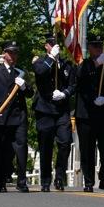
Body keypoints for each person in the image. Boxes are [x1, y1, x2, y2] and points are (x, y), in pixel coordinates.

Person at [75, 35, 104, 192]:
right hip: (86, 114)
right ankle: (88, 181)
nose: (99, 48)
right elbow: (79, 80)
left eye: (100, 46)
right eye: (95, 46)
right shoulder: (85, 65)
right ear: (90, 48)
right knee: (87, 149)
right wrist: (95, 65)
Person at [0, 41, 33, 193]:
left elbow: (30, 93)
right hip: (2, 118)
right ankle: (1, 182)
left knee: (21, 149)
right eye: (11, 53)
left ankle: (21, 181)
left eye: (15, 53)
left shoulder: (20, 73)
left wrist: (25, 86)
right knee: (2, 151)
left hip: (18, 116)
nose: (13, 56)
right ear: (4, 54)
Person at [32, 34, 76, 192]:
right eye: (52, 44)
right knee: (45, 146)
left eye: (57, 45)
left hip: (61, 110)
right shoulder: (40, 61)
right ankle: (45, 180)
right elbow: (41, 72)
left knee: (65, 143)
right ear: (47, 46)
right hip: (44, 109)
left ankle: (59, 176)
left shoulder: (66, 65)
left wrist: (65, 93)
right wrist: (51, 58)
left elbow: (72, 85)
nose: (55, 47)